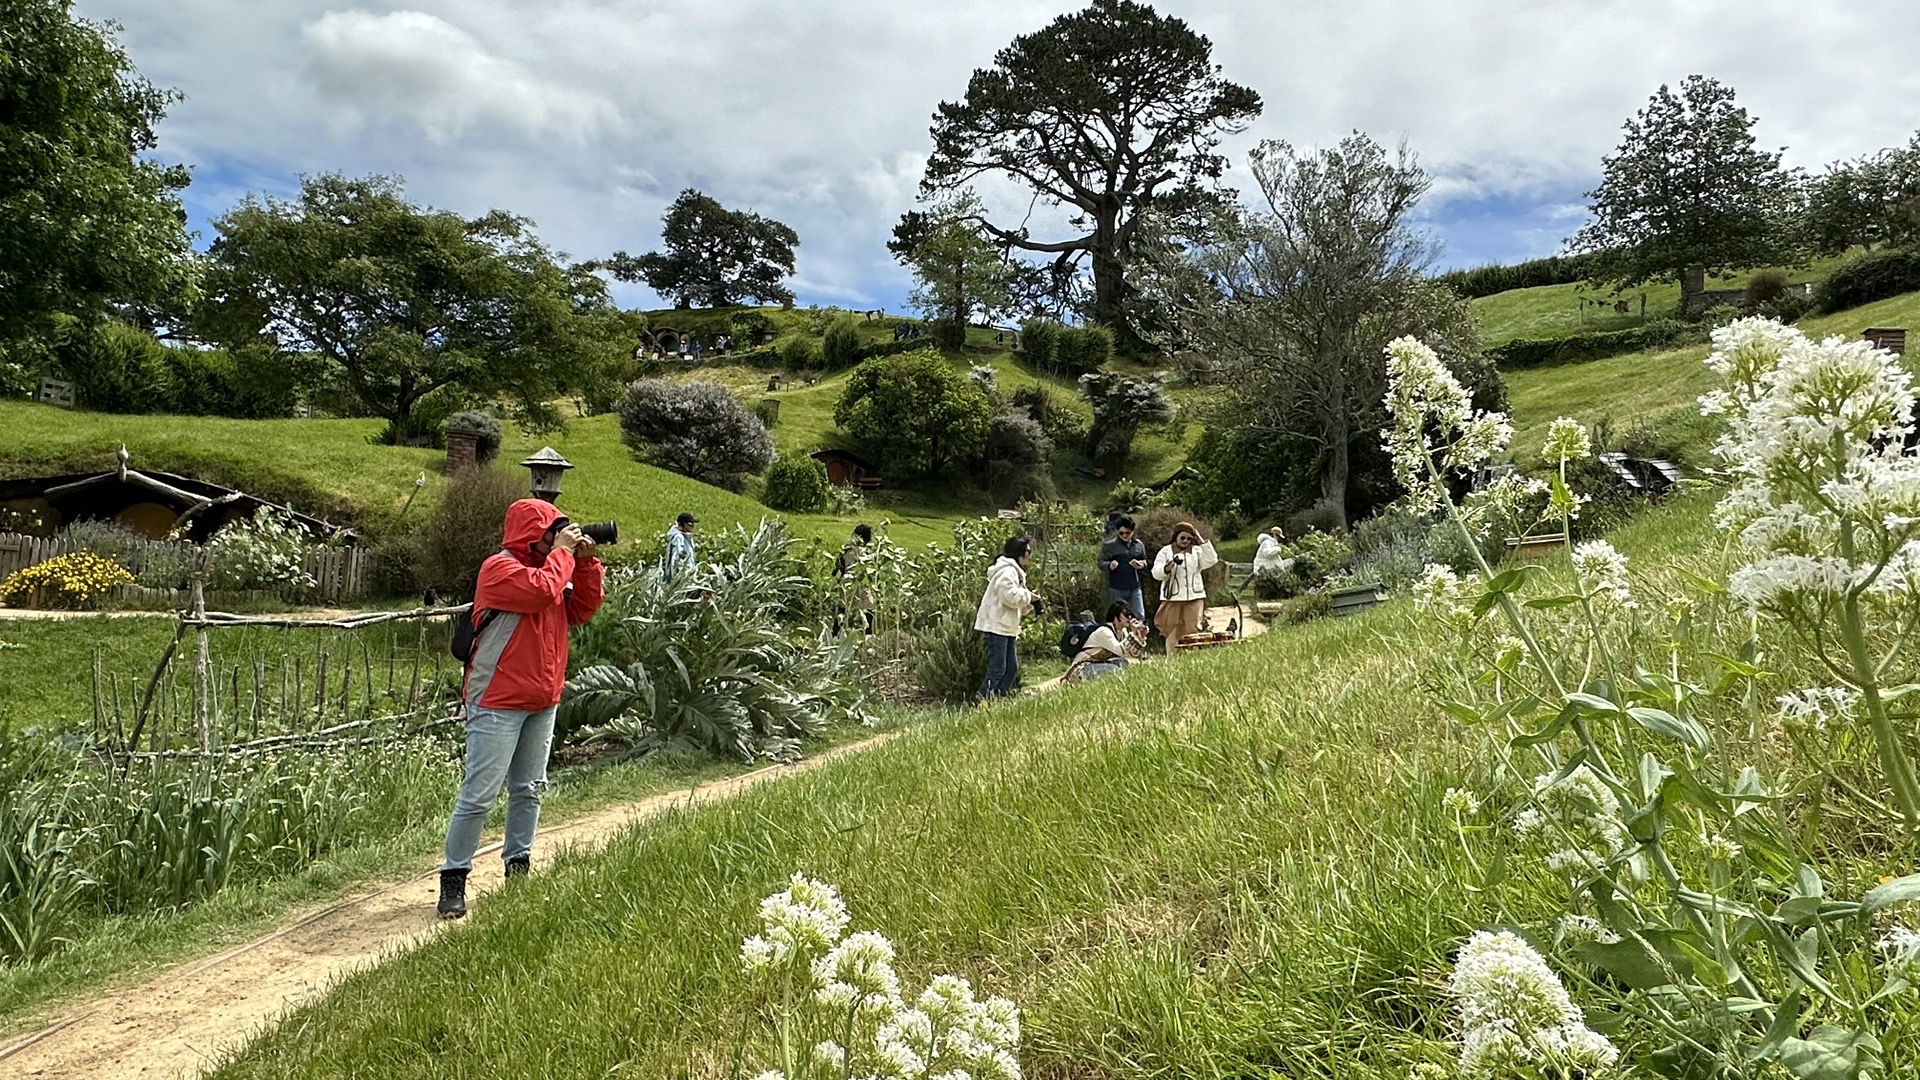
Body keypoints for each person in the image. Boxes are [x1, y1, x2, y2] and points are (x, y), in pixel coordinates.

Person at [437, 500, 604, 919]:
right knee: (479, 795)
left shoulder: (555, 568)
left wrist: (584, 565)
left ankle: (518, 869)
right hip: (497, 699)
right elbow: (538, 592)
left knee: (530, 790)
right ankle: (453, 878)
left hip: (542, 699)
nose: (559, 538)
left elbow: (581, 610)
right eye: (553, 531)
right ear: (533, 533)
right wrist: (564, 557)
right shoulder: (500, 568)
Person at [973, 535, 1035, 700]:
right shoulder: (1008, 571)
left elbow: (1014, 600)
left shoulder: (1014, 571)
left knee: (1011, 668)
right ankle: (981, 699)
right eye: (1028, 551)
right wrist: (1028, 596)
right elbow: (1009, 596)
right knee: (998, 668)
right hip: (996, 625)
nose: (1030, 554)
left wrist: (1027, 602)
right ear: (1019, 553)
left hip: (1006, 626)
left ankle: (999, 698)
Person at [1152, 521, 1217, 656]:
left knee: (1193, 629)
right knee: (1172, 630)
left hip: (1195, 597)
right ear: (1176, 536)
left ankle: (1190, 657)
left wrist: (1200, 540)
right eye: (1183, 538)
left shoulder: (1197, 551)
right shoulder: (1166, 551)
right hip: (1173, 598)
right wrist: (1166, 569)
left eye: (1189, 538)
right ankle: (1172, 658)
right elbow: (1155, 573)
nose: (1185, 541)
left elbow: (1212, 560)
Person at [1065, 601, 1144, 683]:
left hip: (1098, 663)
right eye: (1126, 614)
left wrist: (1139, 636)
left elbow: (1130, 654)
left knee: (1123, 663)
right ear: (1116, 616)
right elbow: (1120, 651)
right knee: (1114, 670)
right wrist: (1133, 634)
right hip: (1082, 667)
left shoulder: (1122, 631)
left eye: (1131, 614)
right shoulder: (1104, 631)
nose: (1130, 617)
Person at [1099, 515, 1148, 620]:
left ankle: (1138, 635)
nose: (1125, 535)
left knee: (1139, 615)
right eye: (1121, 533)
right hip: (1117, 587)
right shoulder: (1109, 546)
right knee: (1120, 617)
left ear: (1133, 532)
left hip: (1134, 586)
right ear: (1117, 531)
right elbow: (1101, 562)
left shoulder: (1138, 545)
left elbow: (1144, 560)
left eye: (1128, 533)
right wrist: (1109, 565)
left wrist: (1141, 564)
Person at [834, 523, 876, 635]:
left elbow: (839, 568)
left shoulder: (847, 550)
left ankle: (835, 633)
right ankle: (868, 633)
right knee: (869, 606)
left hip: (847, 582)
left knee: (844, 607)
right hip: (859, 582)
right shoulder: (862, 552)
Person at [662, 512, 697, 580]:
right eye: (690, 524)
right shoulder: (678, 537)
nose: (692, 526)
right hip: (682, 576)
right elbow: (678, 558)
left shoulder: (685, 536)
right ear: (683, 524)